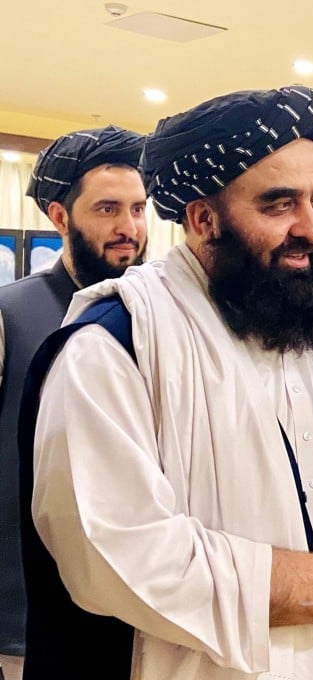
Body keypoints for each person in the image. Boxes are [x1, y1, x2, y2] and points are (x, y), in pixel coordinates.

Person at [18, 87, 313, 680]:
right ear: (202, 217)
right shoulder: (113, 345)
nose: (312, 228)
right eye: (278, 205)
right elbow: (113, 554)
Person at [0, 125, 147, 680]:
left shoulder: (157, 319)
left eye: (137, 209)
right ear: (60, 218)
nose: (128, 228)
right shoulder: (10, 315)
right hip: (26, 610)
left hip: (139, 606)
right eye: (108, 209)